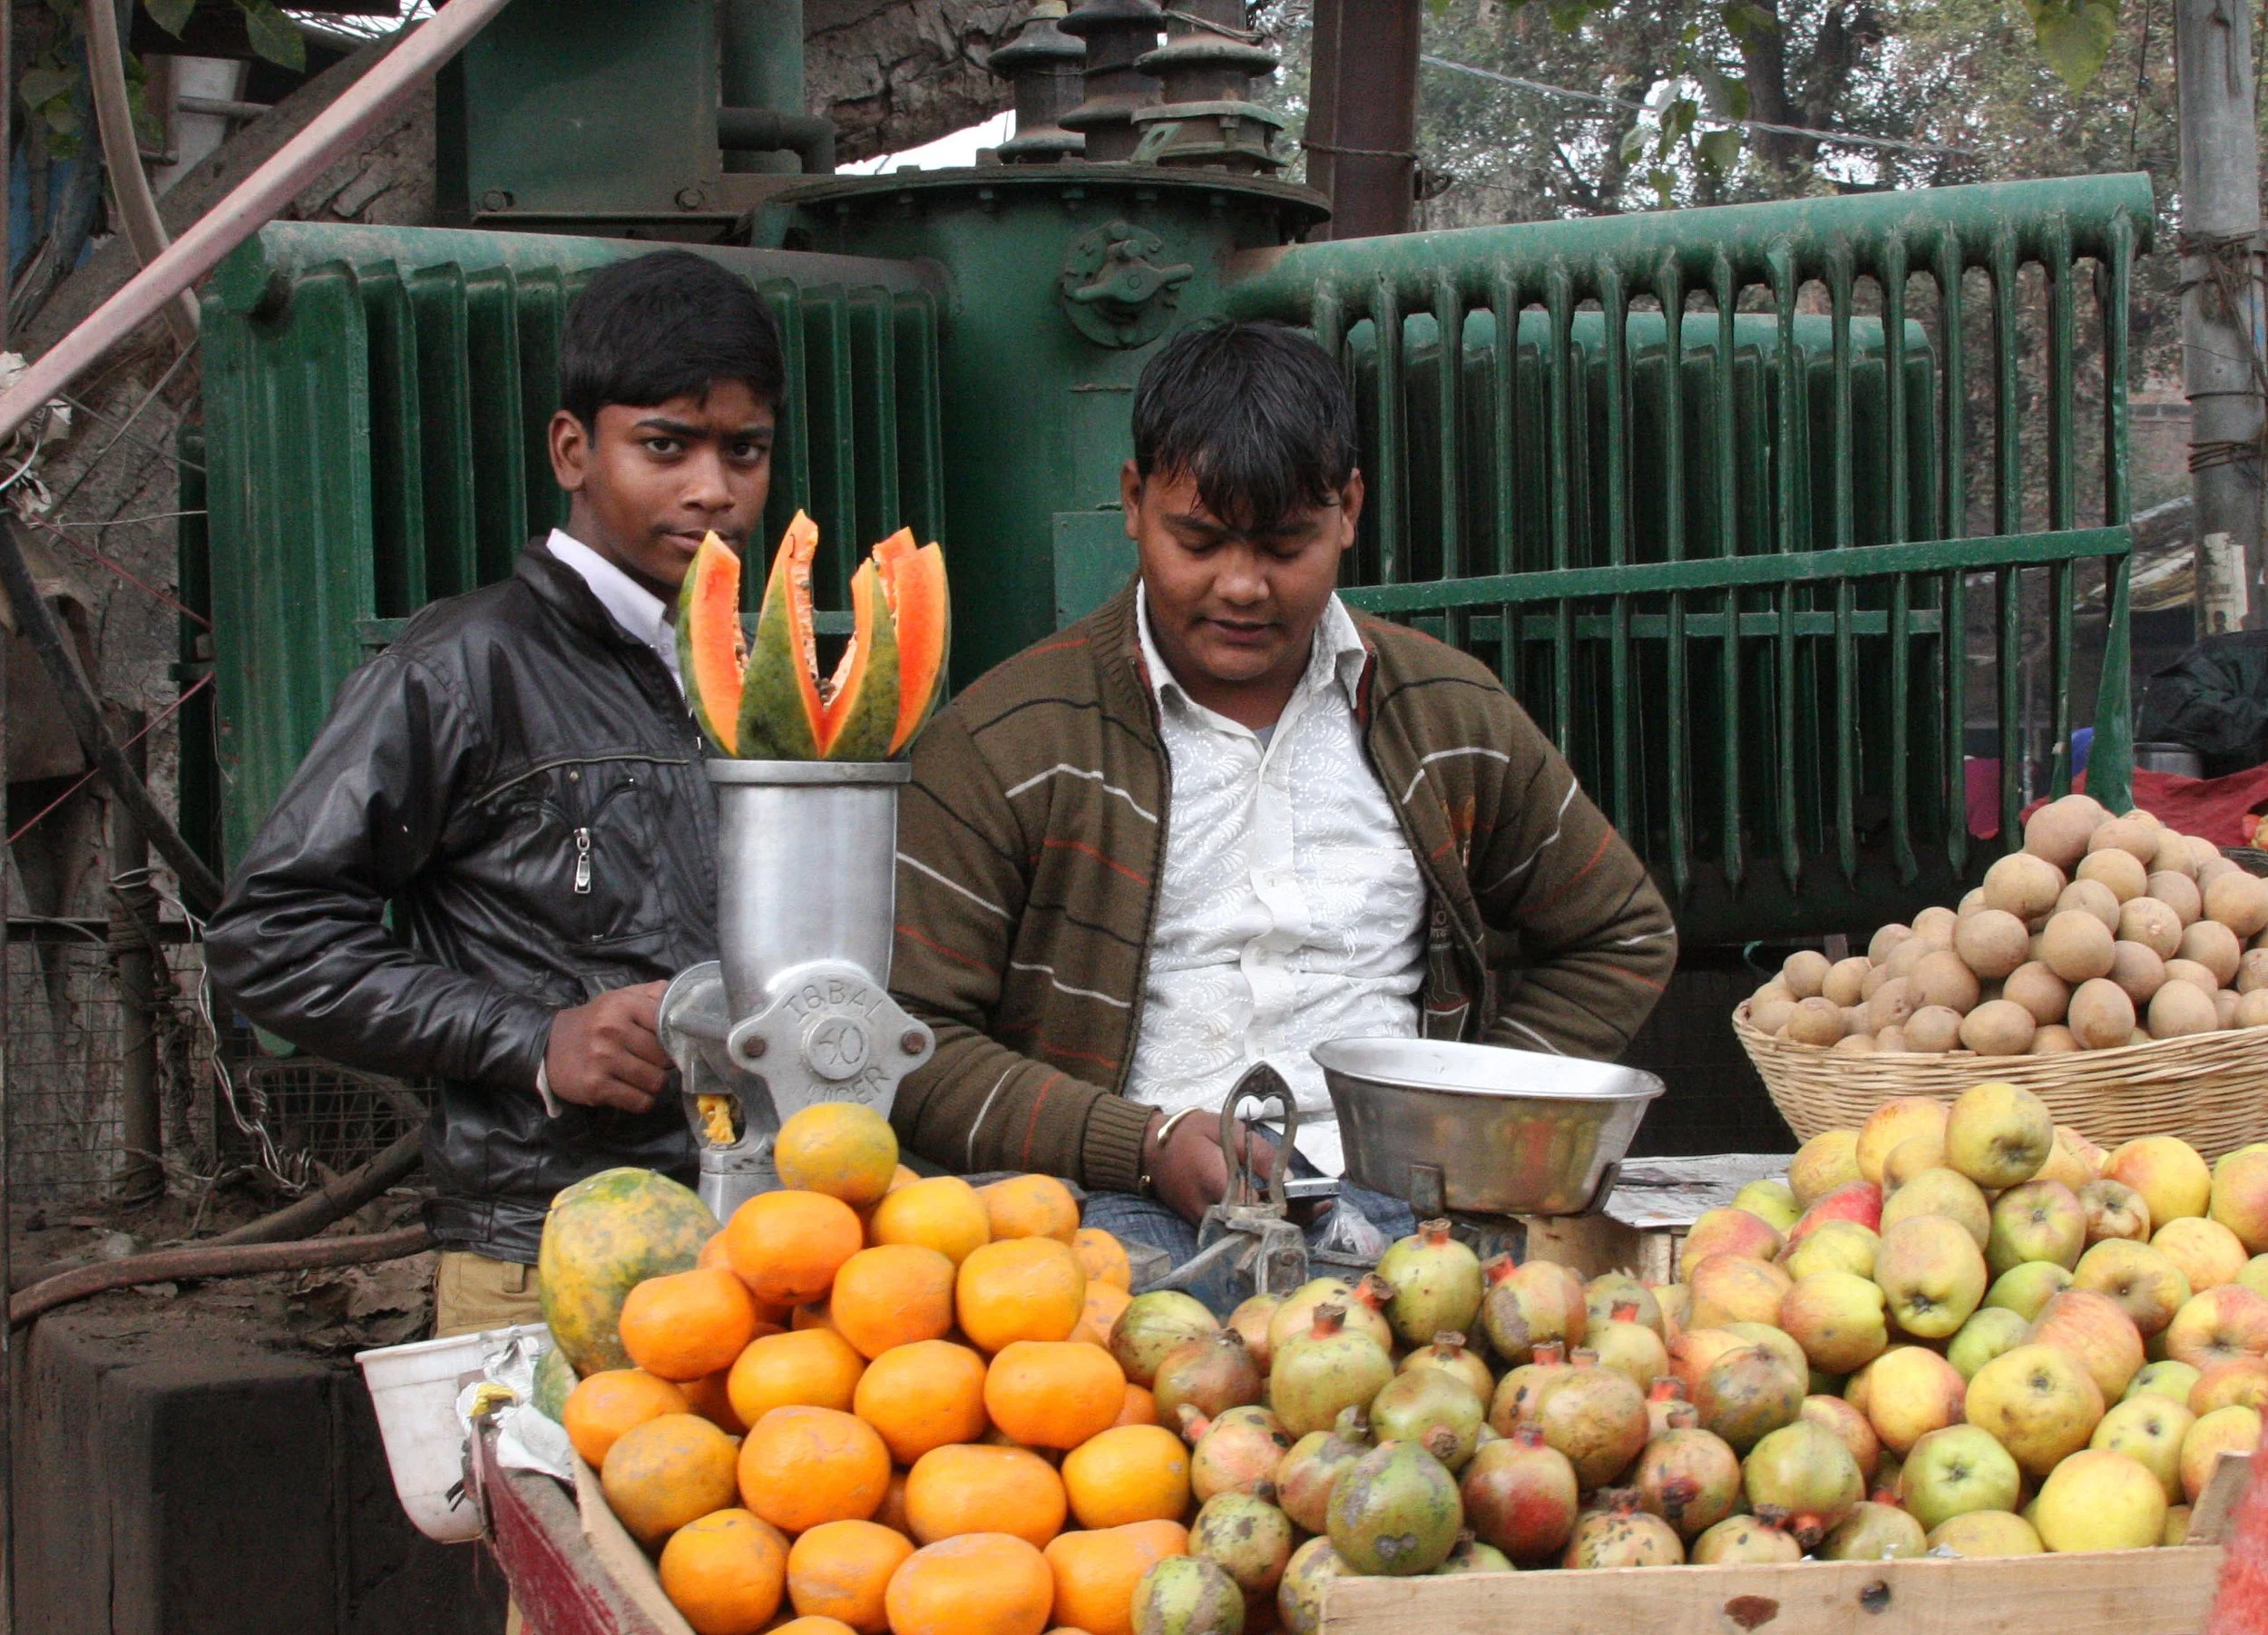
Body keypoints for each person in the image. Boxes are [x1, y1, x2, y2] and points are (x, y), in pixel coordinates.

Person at [886, 319, 1677, 1285]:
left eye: (1284, 543)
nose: (1242, 586)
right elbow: (908, 1042)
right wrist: (1139, 1140)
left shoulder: (1446, 711)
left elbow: (1620, 934)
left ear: (1347, 509)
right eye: (1201, 539)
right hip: (1103, 1224)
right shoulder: (1007, 738)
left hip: (1410, 1219)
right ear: (1133, 502)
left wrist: (1473, 1119)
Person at [205, 250, 780, 1339]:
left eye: (742, 450)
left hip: (767, 1243)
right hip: (541, 1257)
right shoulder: (459, 668)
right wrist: (530, 1037)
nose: (711, 488)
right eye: (666, 444)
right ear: (574, 447)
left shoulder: (750, 672)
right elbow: (266, 936)